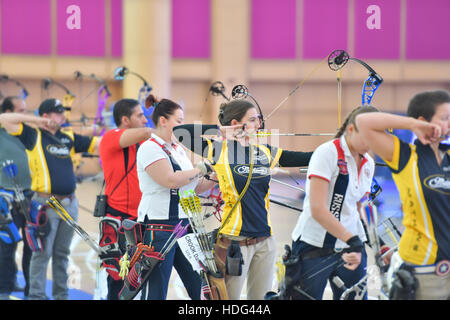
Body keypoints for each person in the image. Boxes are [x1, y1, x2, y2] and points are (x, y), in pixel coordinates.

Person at [173, 98, 313, 300]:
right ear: (236, 124)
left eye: (258, 119)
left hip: (265, 241)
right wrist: (220, 131)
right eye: (253, 119)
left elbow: (304, 157)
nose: (259, 124)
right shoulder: (218, 150)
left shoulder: (265, 152)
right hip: (234, 243)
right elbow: (181, 133)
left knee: (262, 300)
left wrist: (337, 149)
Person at [0, 98, 100, 300]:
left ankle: (61, 295)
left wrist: (102, 130)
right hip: (45, 204)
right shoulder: (33, 135)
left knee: (62, 254)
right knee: (41, 253)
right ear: (46, 116)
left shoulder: (68, 137)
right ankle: (36, 296)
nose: (61, 116)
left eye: (62, 112)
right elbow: (5, 118)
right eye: (57, 112)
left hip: (69, 204)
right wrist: (36, 121)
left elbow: (99, 145)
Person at [355, 90, 449, 300]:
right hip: (422, 271)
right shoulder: (406, 155)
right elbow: (363, 121)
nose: (449, 123)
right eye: (444, 118)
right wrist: (412, 125)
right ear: (424, 121)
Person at [288, 106, 379, 300]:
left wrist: (376, 243)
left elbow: (358, 207)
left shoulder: (368, 163)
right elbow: (317, 209)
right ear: (352, 130)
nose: (371, 143)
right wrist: (351, 240)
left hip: (350, 249)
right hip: (314, 245)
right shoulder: (326, 153)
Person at [136, 95, 215, 300]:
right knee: (156, 290)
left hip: (184, 225)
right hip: (159, 227)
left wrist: (218, 178)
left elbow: (194, 186)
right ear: (163, 120)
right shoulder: (149, 148)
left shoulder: (178, 149)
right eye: (179, 121)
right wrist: (201, 167)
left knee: (198, 284)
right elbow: (171, 180)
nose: (182, 126)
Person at [98, 98, 154, 300]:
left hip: (142, 219)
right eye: (140, 115)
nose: (145, 120)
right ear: (125, 119)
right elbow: (148, 131)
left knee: (143, 275)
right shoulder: (110, 137)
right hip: (118, 219)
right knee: (118, 276)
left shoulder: (144, 143)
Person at [0, 96, 33, 299]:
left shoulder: (25, 132)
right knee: (6, 244)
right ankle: (4, 287)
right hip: (6, 197)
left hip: (29, 196)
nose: (24, 115)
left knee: (31, 245)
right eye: (20, 110)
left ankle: (30, 288)